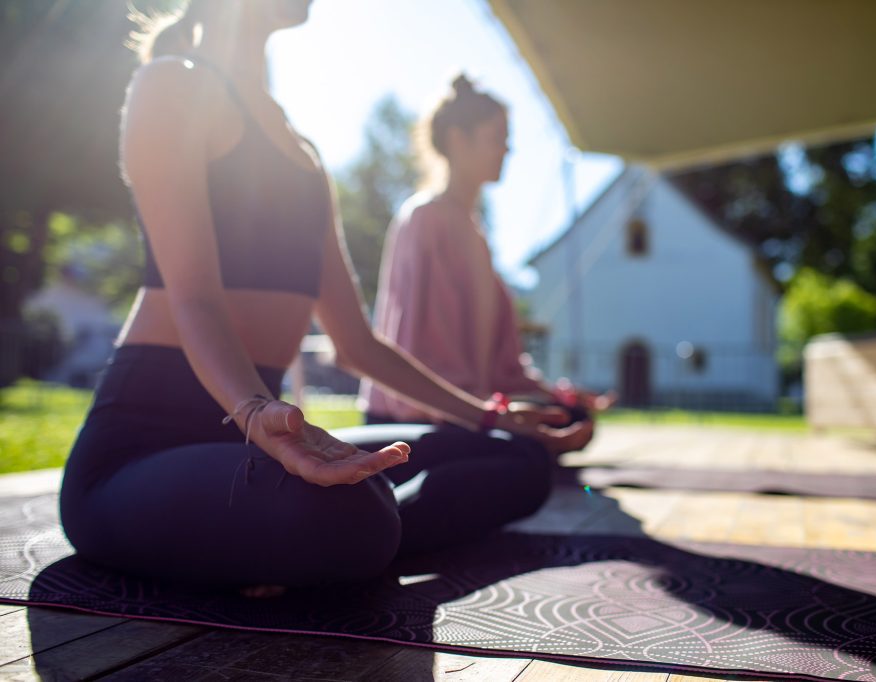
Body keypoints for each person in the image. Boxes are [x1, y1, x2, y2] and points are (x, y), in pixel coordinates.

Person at [59, 0, 587, 590]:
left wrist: (488, 415)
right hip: (139, 452)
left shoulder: (302, 150)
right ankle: (341, 528)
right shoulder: (172, 85)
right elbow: (195, 300)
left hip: (259, 439)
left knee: (516, 458)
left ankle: (324, 536)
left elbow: (357, 344)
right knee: (351, 513)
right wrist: (257, 414)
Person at [360, 75, 614, 446]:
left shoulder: (472, 230)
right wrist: (490, 414)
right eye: (498, 139)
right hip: (419, 415)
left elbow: (499, 365)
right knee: (524, 459)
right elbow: (420, 352)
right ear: (457, 140)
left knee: (569, 417)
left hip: (472, 407)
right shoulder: (426, 219)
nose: (507, 151)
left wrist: (557, 396)